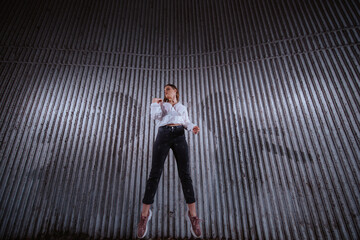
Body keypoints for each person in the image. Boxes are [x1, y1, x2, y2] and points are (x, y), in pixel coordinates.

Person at [137, 84, 203, 239]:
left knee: (185, 175)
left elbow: (186, 122)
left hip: (179, 135)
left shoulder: (182, 107)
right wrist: (155, 103)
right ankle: (144, 216)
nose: (165, 91)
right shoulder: (162, 105)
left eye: (169, 89)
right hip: (163, 135)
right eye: (165, 89)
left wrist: (193, 127)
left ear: (175, 92)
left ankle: (193, 217)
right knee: (154, 174)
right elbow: (155, 117)